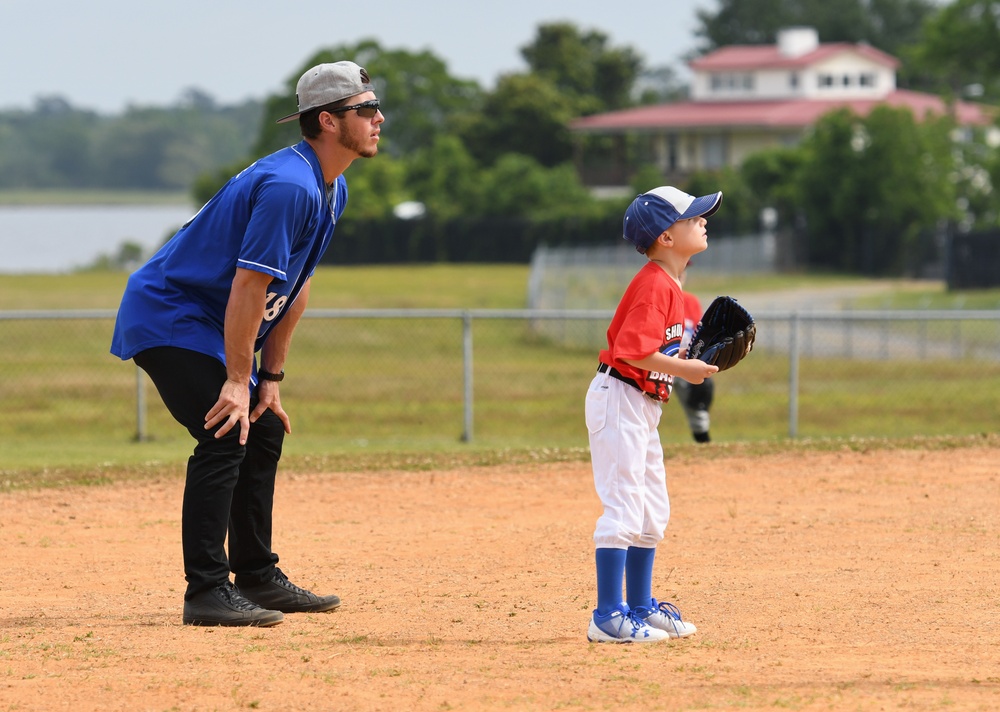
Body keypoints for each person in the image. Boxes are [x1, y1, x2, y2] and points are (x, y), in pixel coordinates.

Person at [110, 61, 384, 627]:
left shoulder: (330, 187)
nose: (379, 118)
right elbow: (249, 284)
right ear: (328, 121)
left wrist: (270, 380)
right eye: (366, 109)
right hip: (172, 314)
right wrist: (238, 380)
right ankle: (206, 592)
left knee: (260, 427)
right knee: (224, 430)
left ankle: (256, 575)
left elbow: (295, 285)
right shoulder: (290, 185)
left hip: (210, 321)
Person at [585, 186, 722, 643]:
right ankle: (608, 615)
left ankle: (639, 607)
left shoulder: (672, 285)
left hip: (642, 403)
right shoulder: (654, 284)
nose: (704, 220)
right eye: (693, 216)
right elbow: (632, 349)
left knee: (651, 509)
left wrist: (694, 352)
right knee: (623, 504)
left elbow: (656, 347)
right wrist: (687, 368)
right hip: (619, 396)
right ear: (666, 236)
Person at [675, 271, 715, 443]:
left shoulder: (690, 301)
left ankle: (703, 446)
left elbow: (699, 335)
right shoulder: (657, 298)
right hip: (658, 362)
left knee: (698, 407)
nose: (681, 273)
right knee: (648, 408)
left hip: (685, 362)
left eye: (684, 269)